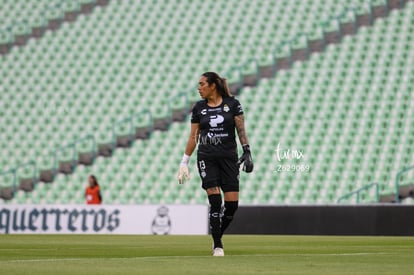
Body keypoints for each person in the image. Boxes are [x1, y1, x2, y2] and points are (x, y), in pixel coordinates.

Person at [177, 72, 253, 256]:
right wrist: (184, 161)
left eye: (202, 84)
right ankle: (218, 244)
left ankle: (217, 233)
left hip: (228, 157)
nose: (198, 88)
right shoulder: (199, 108)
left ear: (213, 86)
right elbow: (193, 136)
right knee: (215, 201)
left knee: (232, 205)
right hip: (207, 157)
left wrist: (247, 150)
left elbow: (240, 129)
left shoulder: (233, 104)